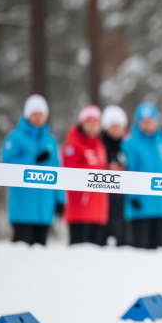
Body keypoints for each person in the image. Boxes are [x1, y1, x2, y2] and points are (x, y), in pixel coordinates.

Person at [2, 95, 65, 246]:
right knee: (21, 253)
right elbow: (5, 169)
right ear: (27, 115)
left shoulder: (51, 140)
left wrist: (60, 200)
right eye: (34, 113)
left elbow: (59, 172)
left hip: (44, 209)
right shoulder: (14, 138)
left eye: (41, 114)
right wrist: (33, 160)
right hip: (22, 209)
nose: (38, 117)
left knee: (39, 256)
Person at [122, 103, 162, 250]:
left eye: (151, 120)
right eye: (144, 121)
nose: (148, 124)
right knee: (140, 252)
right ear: (138, 122)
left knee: (160, 252)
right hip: (140, 207)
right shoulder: (129, 143)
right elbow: (127, 173)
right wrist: (131, 197)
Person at [62, 105, 109, 245]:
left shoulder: (100, 146)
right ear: (82, 123)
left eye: (96, 123)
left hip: (99, 211)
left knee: (96, 259)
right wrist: (92, 168)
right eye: (89, 123)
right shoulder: (73, 144)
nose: (93, 127)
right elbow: (69, 173)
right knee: (78, 256)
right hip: (80, 211)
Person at [101, 105, 129, 246]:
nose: (116, 130)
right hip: (103, 197)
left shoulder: (126, 145)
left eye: (119, 126)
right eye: (112, 126)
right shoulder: (100, 143)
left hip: (122, 199)